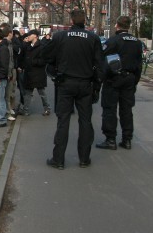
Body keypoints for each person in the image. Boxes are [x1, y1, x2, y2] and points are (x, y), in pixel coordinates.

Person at [42, 9, 103, 169]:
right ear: (84, 21)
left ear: (71, 21)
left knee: (63, 121)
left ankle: (58, 159)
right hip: (85, 84)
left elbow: (47, 55)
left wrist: (55, 70)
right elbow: (100, 65)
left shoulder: (60, 37)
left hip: (65, 83)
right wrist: (97, 87)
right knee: (85, 121)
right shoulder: (93, 38)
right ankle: (84, 158)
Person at [96, 16, 142, 151]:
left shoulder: (113, 41)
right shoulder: (137, 42)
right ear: (128, 26)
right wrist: (135, 82)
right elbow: (139, 64)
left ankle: (110, 139)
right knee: (126, 110)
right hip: (130, 79)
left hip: (113, 79)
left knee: (109, 109)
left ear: (117, 26)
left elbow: (103, 60)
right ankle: (127, 139)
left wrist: (100, 79)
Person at [18, 29, 51, 116]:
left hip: (38, 73)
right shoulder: (27, 46)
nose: (28, 36)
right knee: (28, 93)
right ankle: (26, 110)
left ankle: (47, 108)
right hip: (29, 73)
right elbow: (22, 56)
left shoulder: (42, 46)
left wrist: (33, 61)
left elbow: (44, 60)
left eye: (30, 35)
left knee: (42, 92)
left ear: (35, 36)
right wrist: (22, 66)